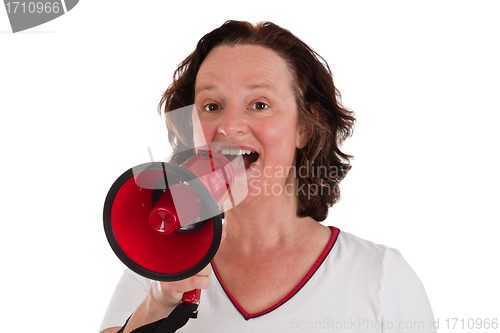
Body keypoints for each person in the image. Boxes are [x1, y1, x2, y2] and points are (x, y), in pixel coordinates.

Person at [99, 21, 436, 333]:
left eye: (259, 104)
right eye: (212, 106)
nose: (229, 127)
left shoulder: (379, 276)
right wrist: (156, 306)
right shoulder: (156, 264)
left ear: (304, 126)